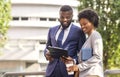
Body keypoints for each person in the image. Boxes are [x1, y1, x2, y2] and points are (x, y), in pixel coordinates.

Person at [44, 5, 86, 77]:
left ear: (72, 16)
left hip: (68, 72)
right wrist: (46, 53)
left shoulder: (79, 32)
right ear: (59, 16)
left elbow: (83, 54)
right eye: (62, 17)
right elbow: (47, 47)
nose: (64, 20)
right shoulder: (52, 30)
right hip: (51, 72)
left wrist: (73, 60)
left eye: (67, 17)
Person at [67, 8, 104, 77]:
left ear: (92, 22)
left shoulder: (95, 35)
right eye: (81, 25)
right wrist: (73, 61)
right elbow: (85, 59)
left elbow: (98, 57)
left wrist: (79, 67)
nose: (82, 27)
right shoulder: (88, 39)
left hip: (93, 74)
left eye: (85, 24)